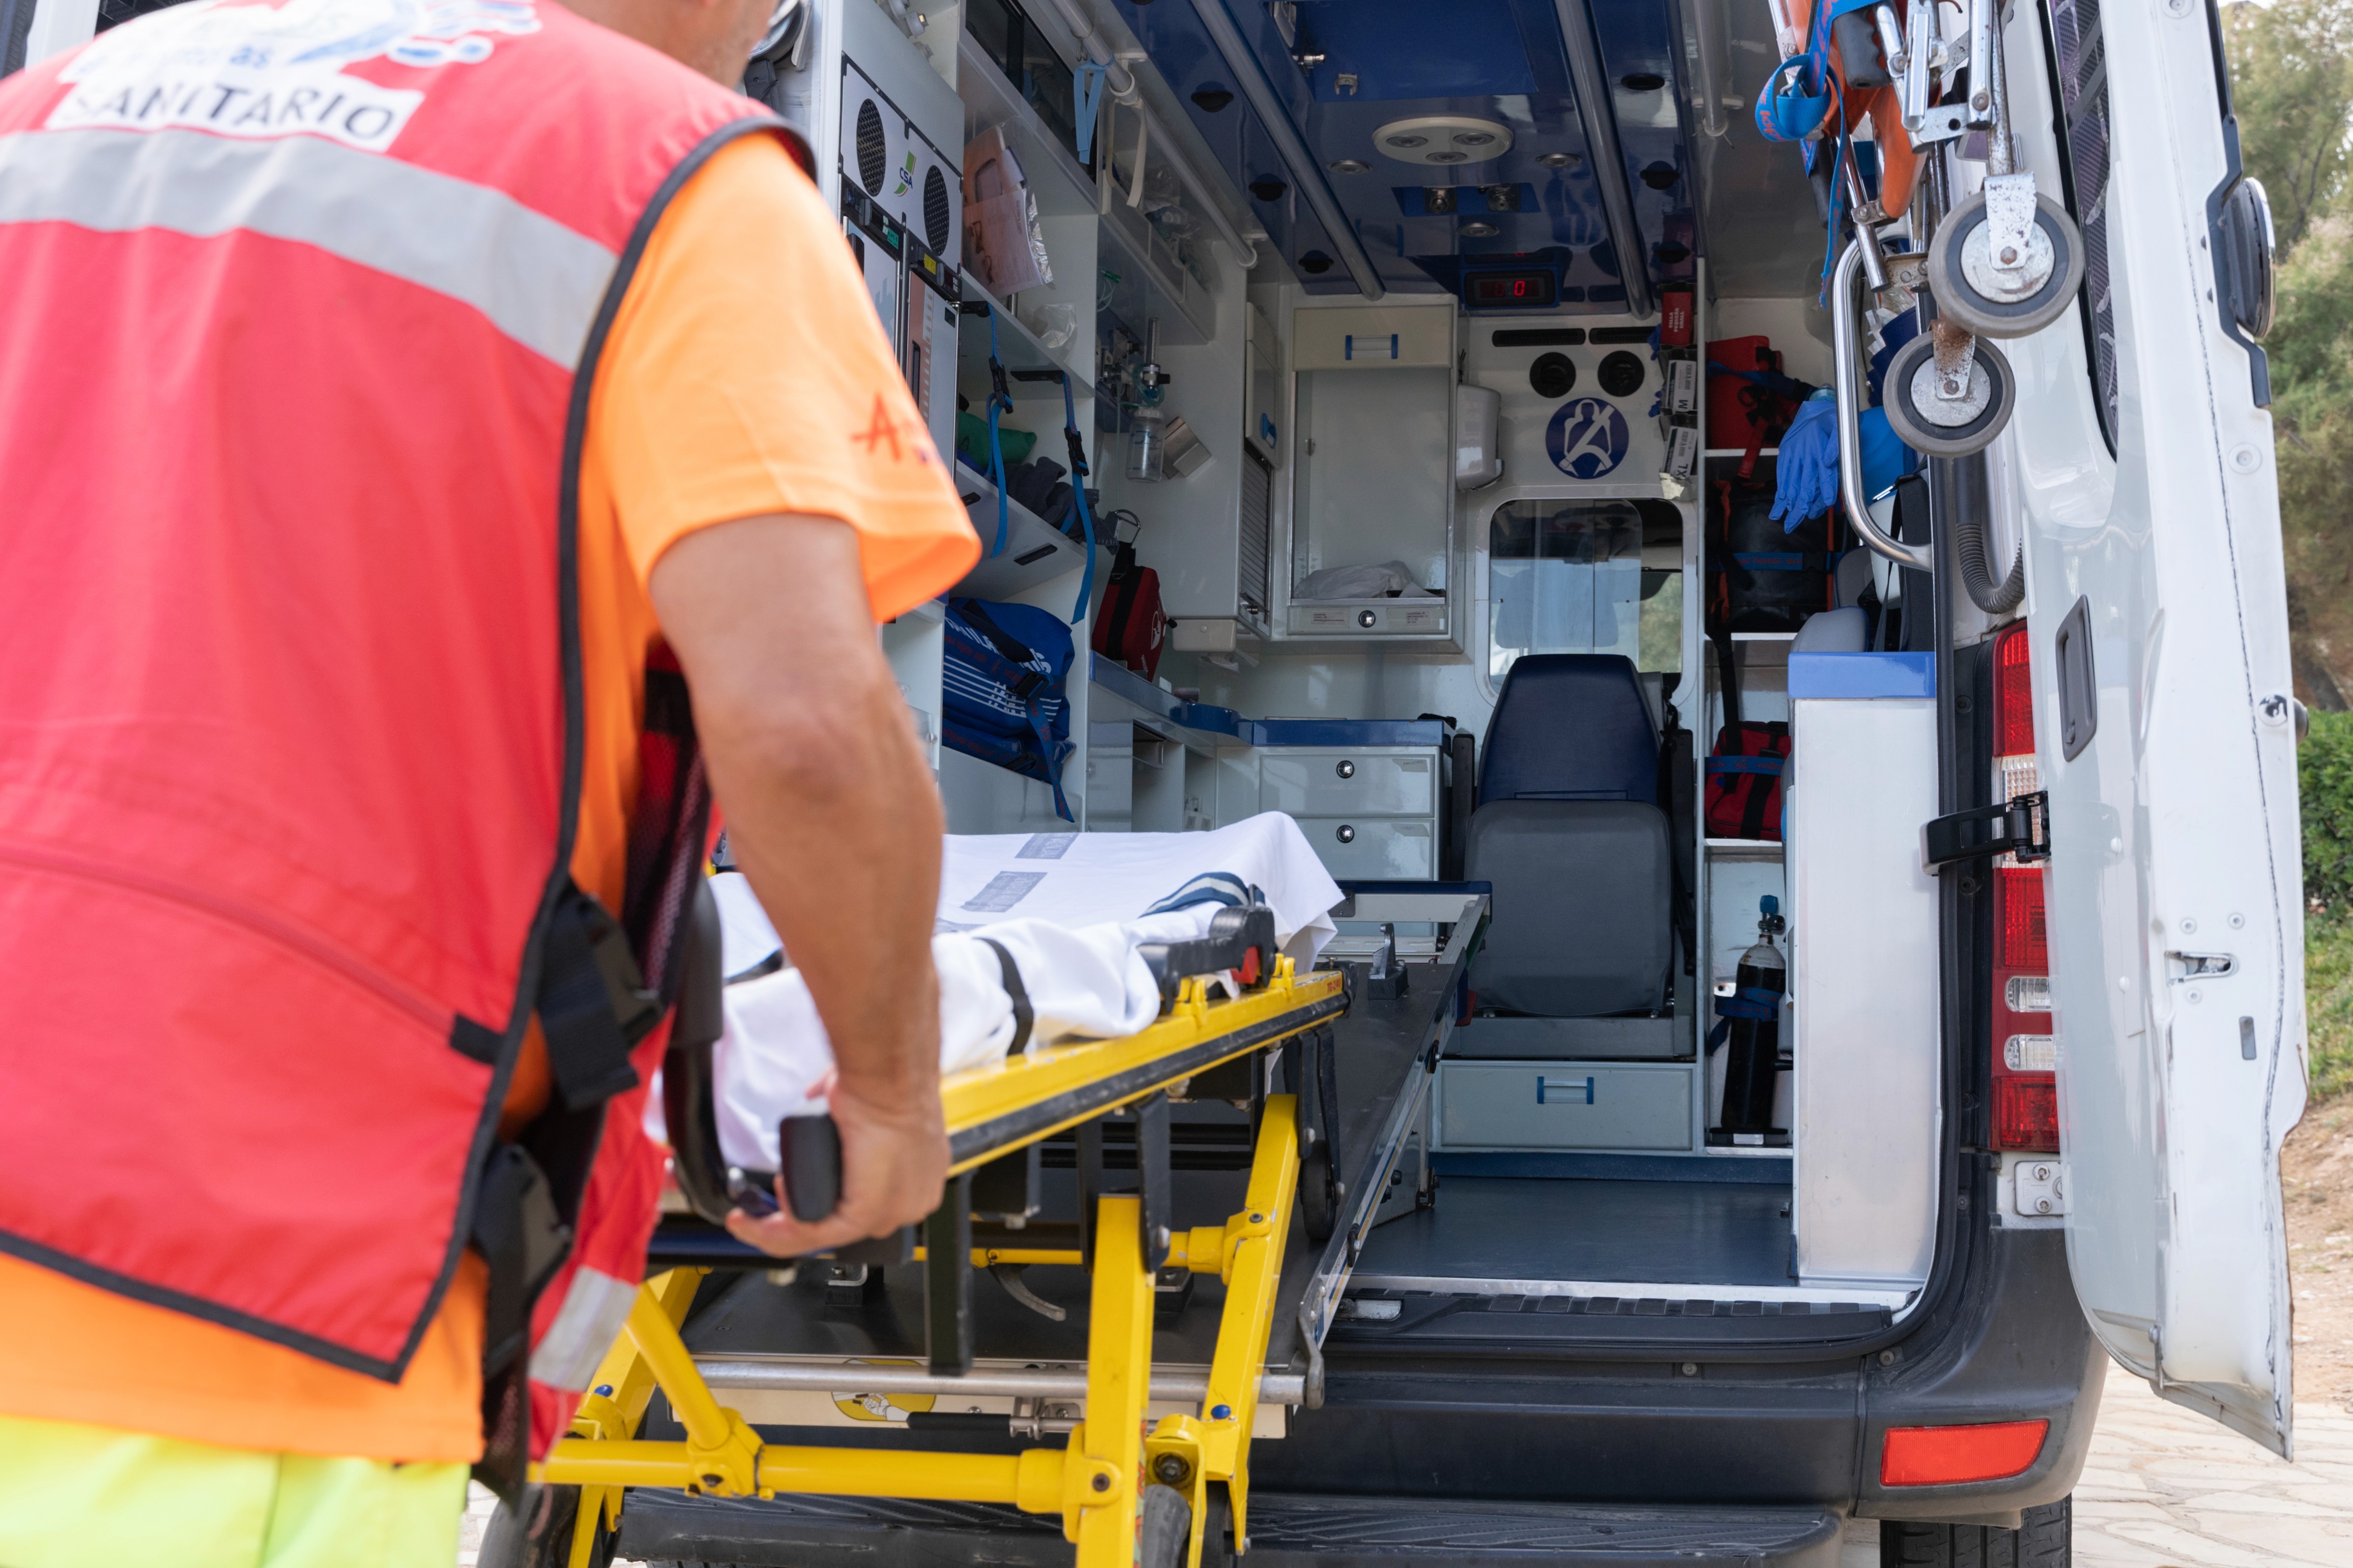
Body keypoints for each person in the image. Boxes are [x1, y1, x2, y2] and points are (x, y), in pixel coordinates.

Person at [0, 0, 978, 1560]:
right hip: (256, 1289)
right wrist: (887, 1088)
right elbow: (804, 723)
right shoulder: (671, 177)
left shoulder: (50, 115)